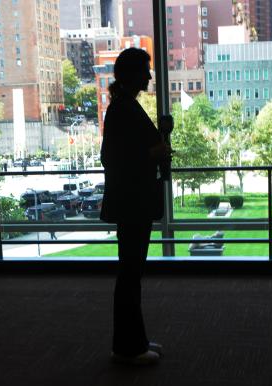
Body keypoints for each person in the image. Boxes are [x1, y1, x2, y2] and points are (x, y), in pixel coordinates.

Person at [100, 47, 172, 366]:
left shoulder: (123, 107)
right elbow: (115, 159)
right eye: (145, 69)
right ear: (132, 74)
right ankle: (129, 347)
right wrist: (153, 154)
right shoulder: (124, 109)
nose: (149, 75)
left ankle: (132, 341)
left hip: (131, 202)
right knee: (130, 274)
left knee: (130, 273)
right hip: (133, 203)